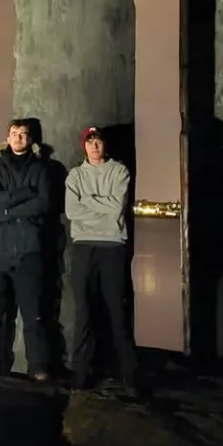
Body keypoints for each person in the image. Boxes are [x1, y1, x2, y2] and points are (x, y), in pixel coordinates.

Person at [0, 119, 54, 382]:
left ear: (30, 140)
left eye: (23, 134)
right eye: (14, 133)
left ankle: (38, 368)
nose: (18, 138)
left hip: (29, 251)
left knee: (33, 315)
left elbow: (44, 203)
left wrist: (7, 211)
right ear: (7, 138)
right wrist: (25, 193)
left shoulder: (41, 169)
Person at [65, 126, 140, 394]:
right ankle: (81, 375)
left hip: (112, 246)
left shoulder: (119, 171)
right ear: (83, 146)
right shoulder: (75, 175)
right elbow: (72, 211)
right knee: (84, 312)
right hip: (83, 247)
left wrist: (87, 200)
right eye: (90, 142)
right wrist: (102, 205)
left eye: (98, 141)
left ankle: (130, 377)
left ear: (104, 145)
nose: (94, 146)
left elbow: (116, 207)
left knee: (118, 311)